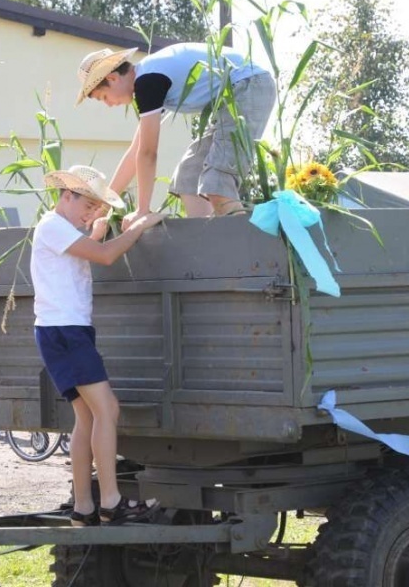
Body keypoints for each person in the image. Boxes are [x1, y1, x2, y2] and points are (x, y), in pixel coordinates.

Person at [33, 164, 164, 526]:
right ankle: (110, 500)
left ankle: (83, 506)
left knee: (88, 416)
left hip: (61, 331)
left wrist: (97, 229)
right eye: (86, 205)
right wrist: (137, 227)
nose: (90, 213)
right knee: (108, 409)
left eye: (95, 208)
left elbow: (91, 246)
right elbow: (105, 255)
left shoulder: (60, 229)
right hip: (66, 332)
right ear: (66, 195)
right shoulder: (53, 227)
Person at [76, 42, 276, 225]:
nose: (109, 104)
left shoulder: (148, 81)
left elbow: (148, 153)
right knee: (188, 177)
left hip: (248, 86)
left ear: (112, 78)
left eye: (104, 97)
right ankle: (205, 242)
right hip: (226, 100)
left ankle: (240, 248)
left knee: (216, 181)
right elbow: (135, 152)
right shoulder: (149, 79)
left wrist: (142, 210)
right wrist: (104, 206)